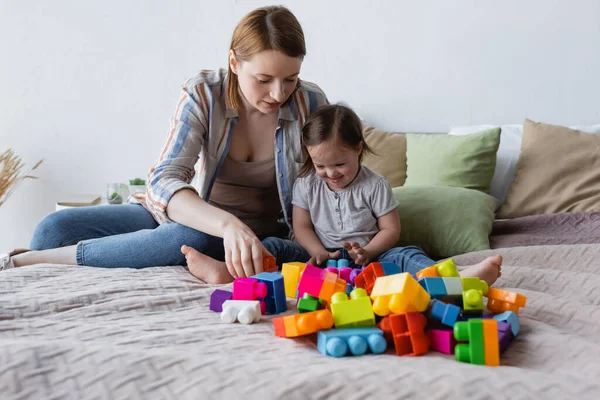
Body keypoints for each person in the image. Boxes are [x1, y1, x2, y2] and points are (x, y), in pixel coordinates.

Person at [1, 6, 327, 280]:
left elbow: (333, 184)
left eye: (290, 79)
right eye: (263, 80)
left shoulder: (310, 104)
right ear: (233, 63)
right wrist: (227, 224)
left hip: (257, 233)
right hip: (197, 216)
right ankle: (41, 266)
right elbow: (164, 179)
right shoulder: (204, 94)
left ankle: (22, 263)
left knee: (189, 239)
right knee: (52, 231)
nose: (278, 93)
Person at [184, 104, 503, 286]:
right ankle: (225, 272)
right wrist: (317, 251)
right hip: (319, 257)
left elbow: (391, 230)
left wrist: (368, 251)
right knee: (273, 246)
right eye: (321, 165)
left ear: (358, 150)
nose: (331, 174)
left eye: (340, 164)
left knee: (408, 255)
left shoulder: (375, 185)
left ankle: (456, 280)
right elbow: (302, 226)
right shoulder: (306, 183)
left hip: (371, 257)